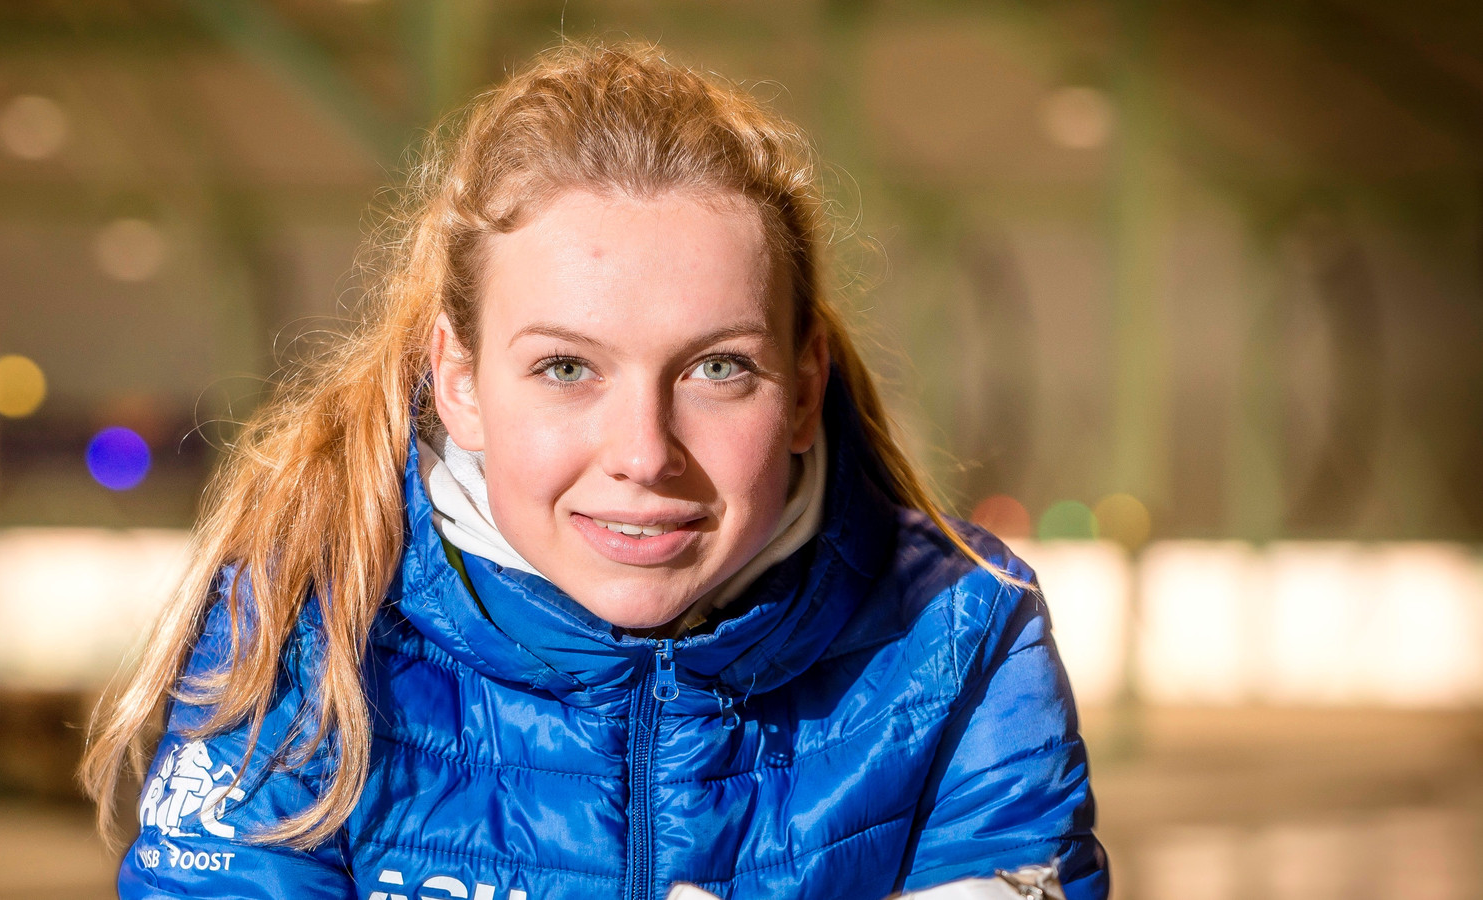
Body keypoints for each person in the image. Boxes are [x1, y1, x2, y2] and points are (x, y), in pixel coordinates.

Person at [81, 41, 1109, 900]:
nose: (642, 454)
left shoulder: (961, 638)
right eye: (566, 368)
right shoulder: (312, 615)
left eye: (717, 369)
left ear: (801, 388)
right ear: (462, 382)